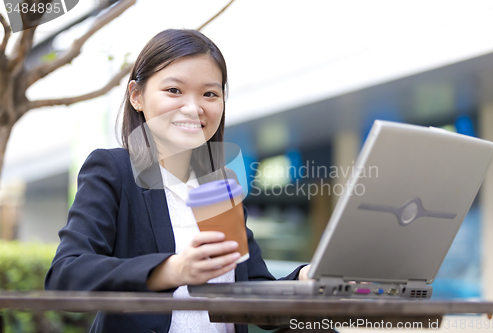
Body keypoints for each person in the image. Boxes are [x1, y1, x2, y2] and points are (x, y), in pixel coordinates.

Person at [44, 29, 311, 333]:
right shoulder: (114, 169)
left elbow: (252, 296)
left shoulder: (219, 187)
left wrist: (304, 279)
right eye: (174, 90)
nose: (194, 107)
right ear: (136, 96)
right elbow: (66, 276)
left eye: (210, 93)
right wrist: (171, 270)